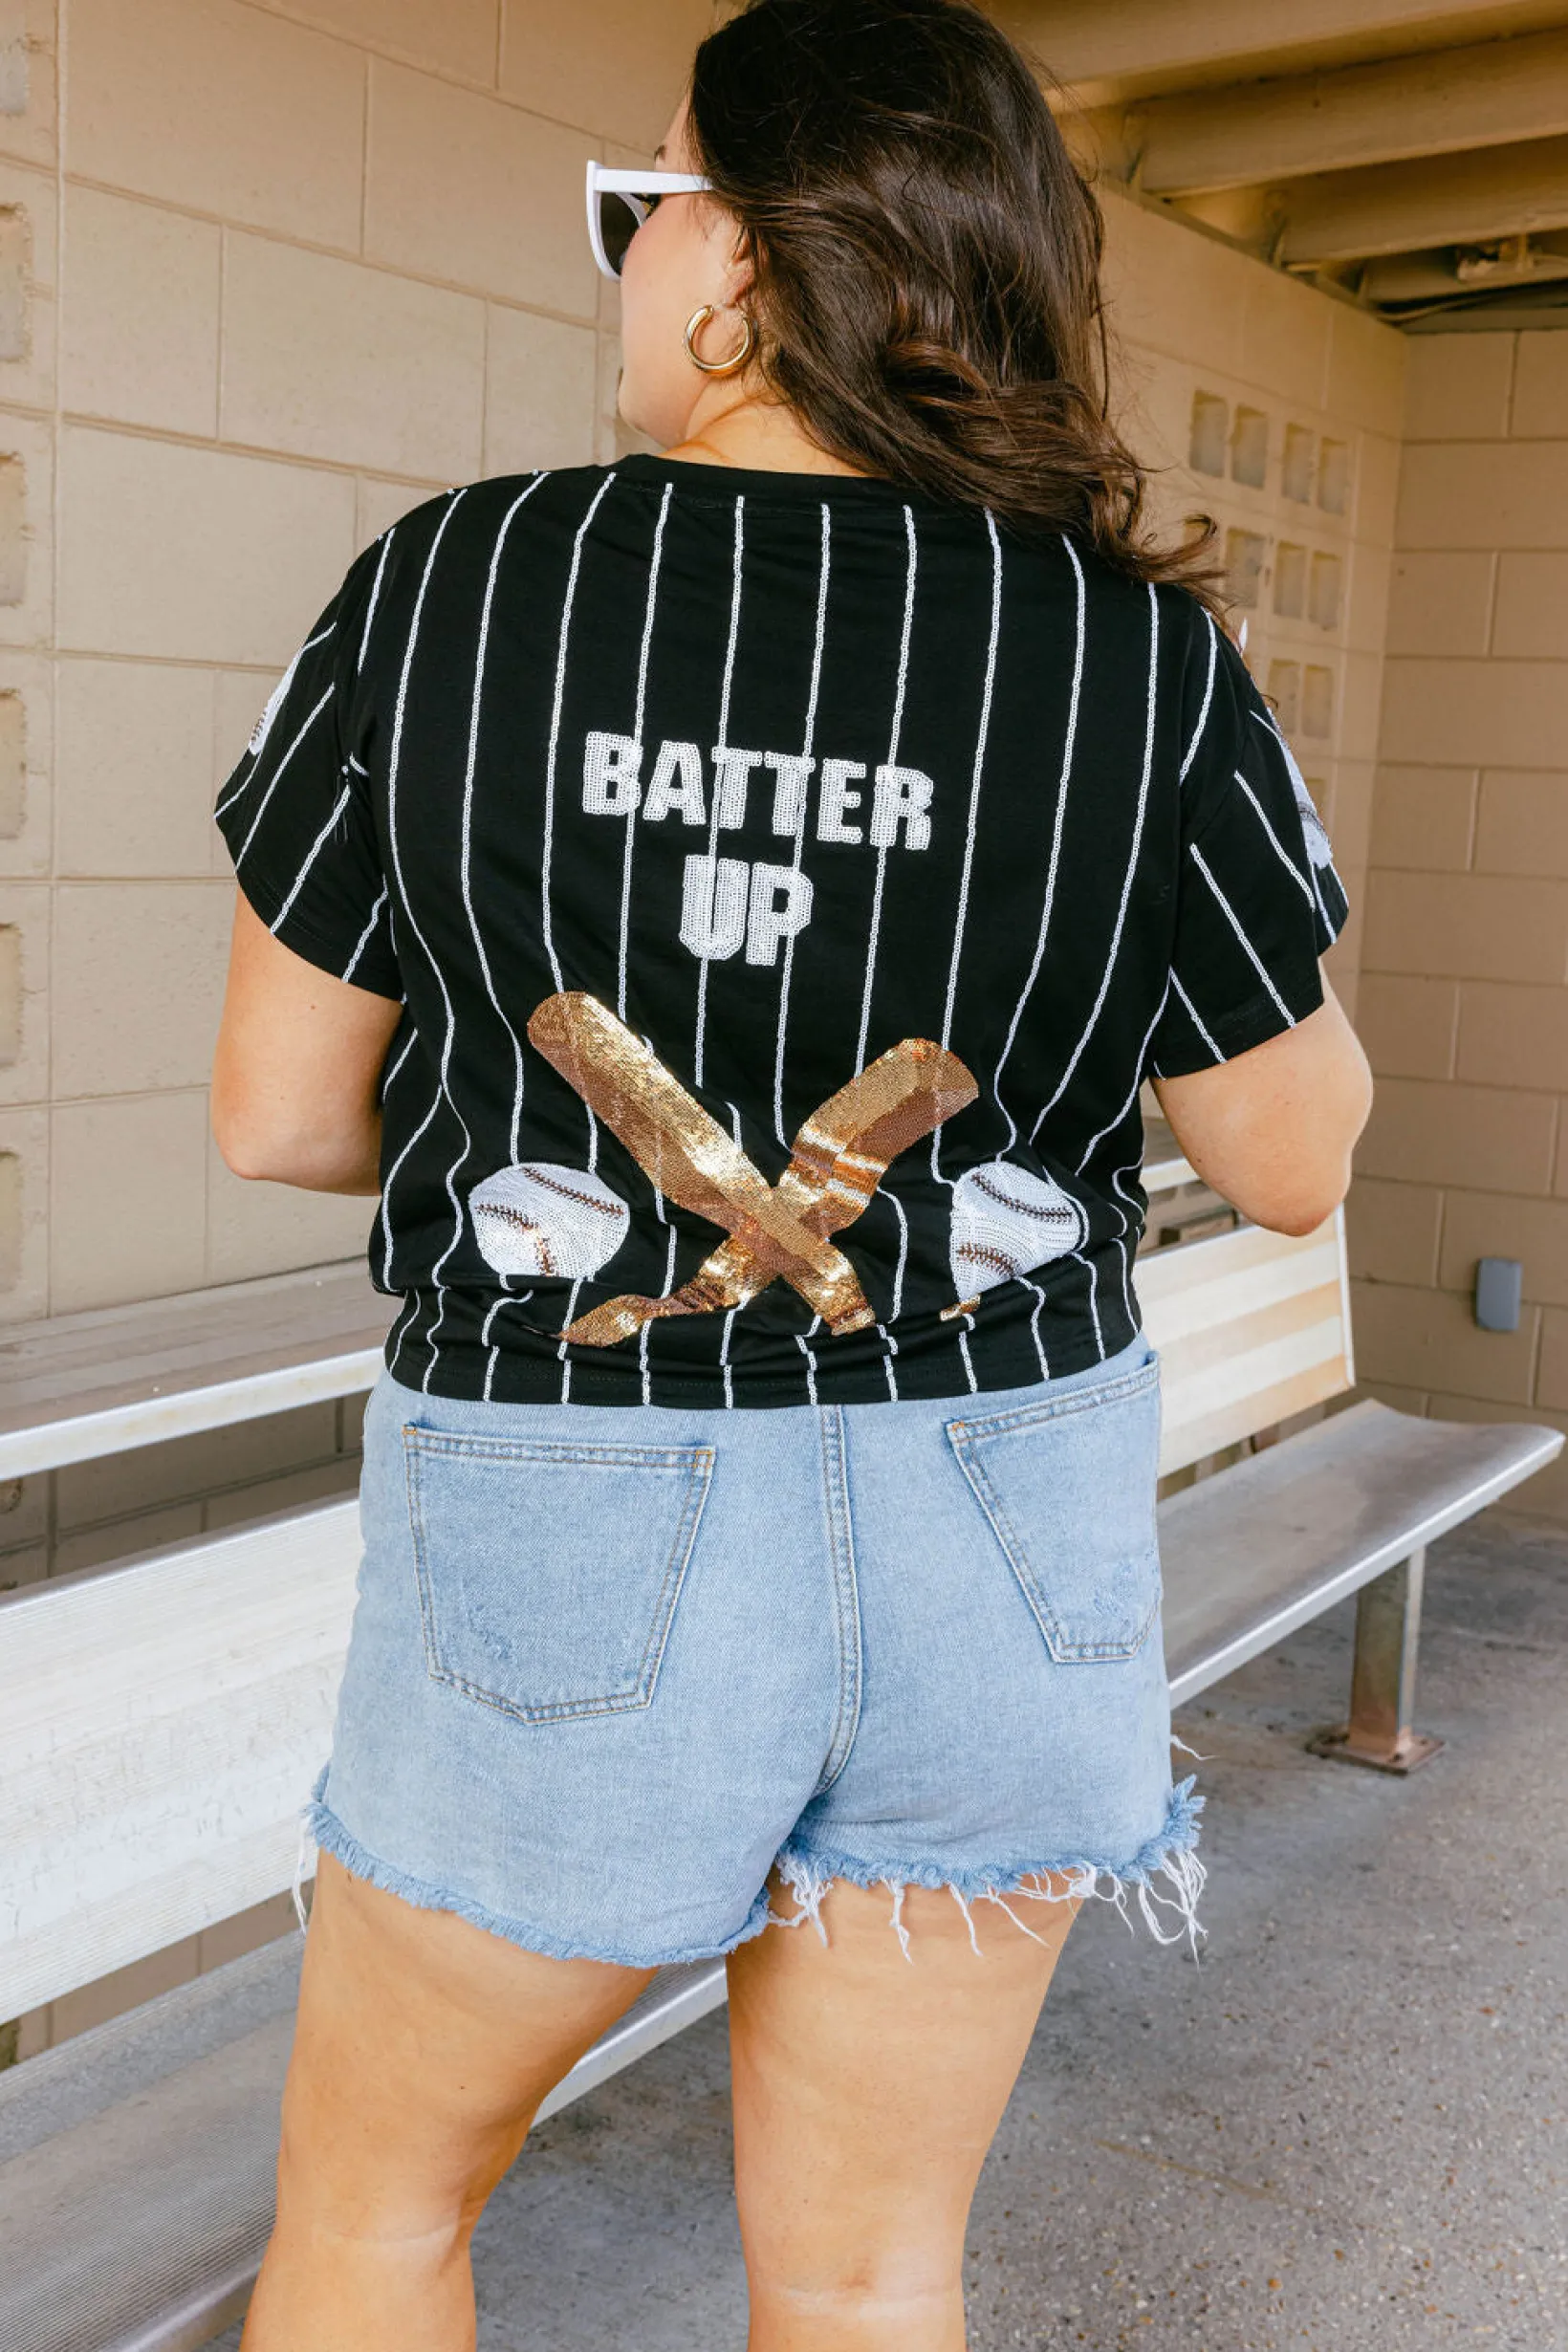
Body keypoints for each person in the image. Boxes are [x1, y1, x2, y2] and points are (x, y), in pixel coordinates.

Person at [210, 1, 1372, 2343]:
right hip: (1002, 1515)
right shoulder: (1140, 661)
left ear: (749, 256)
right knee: (864, 2273)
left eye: (642, 205)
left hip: (573, 1480)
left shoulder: (459, 589)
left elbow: (281, 1116)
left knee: (378, 2218)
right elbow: (1290, 1156)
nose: (624, 258)